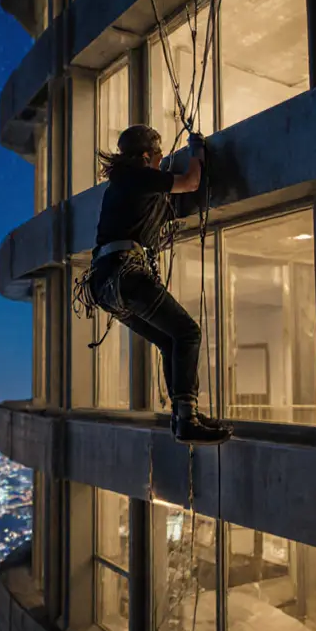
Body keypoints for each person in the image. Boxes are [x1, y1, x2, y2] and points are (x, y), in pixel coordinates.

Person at [84, 124, 232, 445]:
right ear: (148, 156)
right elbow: (191, 182)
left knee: (169, 341)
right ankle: (186, 419)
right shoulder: (138, 176)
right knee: (188, 333)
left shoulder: (121, 186)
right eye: (159, 156)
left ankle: (183, 417)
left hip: (106, 285)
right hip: (127, 275)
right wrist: (196, 152)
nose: (162, 160)